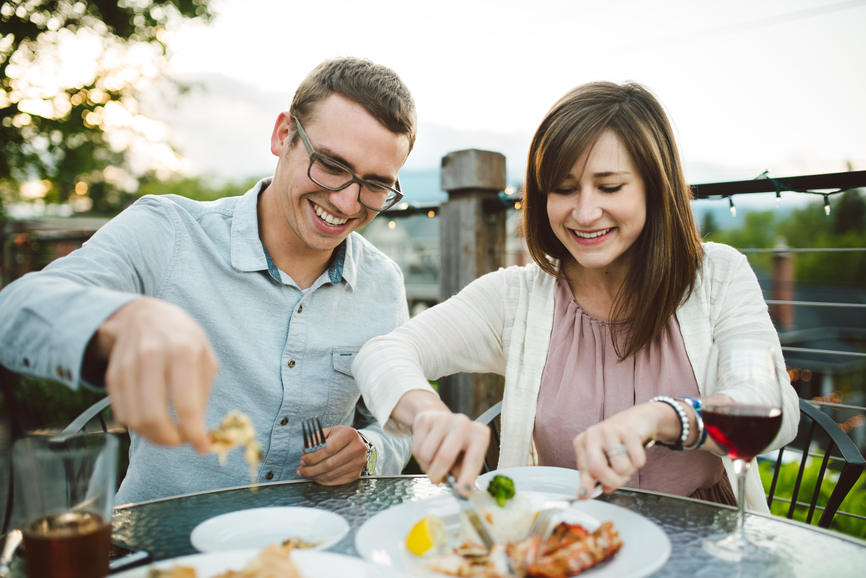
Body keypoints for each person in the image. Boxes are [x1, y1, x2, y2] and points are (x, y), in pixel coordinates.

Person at [353, 81, 799, 512]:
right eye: (564, 189)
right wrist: (428, 413)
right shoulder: (518, 298)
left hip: (701, 540)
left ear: (654, 187)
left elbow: (772, 409)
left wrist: (663, 418)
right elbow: (384, 353)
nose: (584, 213)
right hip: (569, 537)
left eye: (610, 187)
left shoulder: (718, 276)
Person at [0, 57, 417, 503]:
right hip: (163, 552)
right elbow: (15, 311)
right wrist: (118, 319)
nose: (347, 201)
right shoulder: (169, 231)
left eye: (375, 185)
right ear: (283, 135)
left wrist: (369, 451)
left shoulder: (382, 283)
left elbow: (398, 422)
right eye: (332, 165)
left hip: (310, 549)